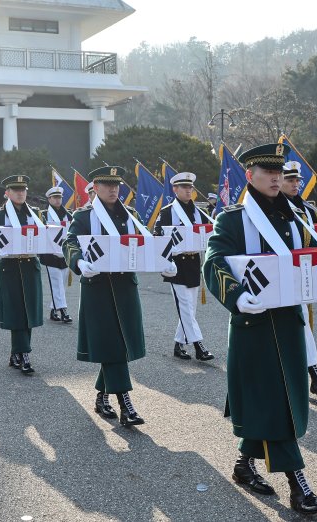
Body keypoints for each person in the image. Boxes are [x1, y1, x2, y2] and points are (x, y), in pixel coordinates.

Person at [203, 143, 317, 514]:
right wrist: (237, 296)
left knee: (279, 401)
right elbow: (212, 262)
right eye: (268, 172)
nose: (276, 178)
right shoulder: (232, 219)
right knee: (274, 404)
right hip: (254, 327)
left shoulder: (295, 216)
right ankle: (298, 485)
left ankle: (244, 465)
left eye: (280, 172)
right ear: (250, 175)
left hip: (290, 325)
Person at [64, 166, 167, 426]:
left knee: (116, 345)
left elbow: (144, 242)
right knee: (112, 344)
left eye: (116, 184)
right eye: (107, 184)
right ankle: (126, 404)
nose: (113, 189)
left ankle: (102, 397)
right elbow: (70, 242)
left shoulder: (130, 214)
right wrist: (79, 262)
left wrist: (163, 261)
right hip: (98, 288)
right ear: (95, 187)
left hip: (124, 288)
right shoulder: (84, 216)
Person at [280, 163, 317, 402]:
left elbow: (315, 243)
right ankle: (305, 377)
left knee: (301, 324)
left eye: (297, 181)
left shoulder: (306, 210)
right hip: (277, 276)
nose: (295, 184)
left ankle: (314, 375)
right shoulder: (270, 209)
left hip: (301, 275)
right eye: (290, 180)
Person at [0, 175, 44, 372]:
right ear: (7, 193)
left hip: (30, 267)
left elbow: (44, 236)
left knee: (28, 311)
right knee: (16, 311)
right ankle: (23, 352)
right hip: (10, 267)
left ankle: (18, 352)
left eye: (23, 190)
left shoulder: (35, 213)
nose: (20, 193)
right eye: (16, 190)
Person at [153, 172, 213, 362]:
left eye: (190, 187)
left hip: (194, 263)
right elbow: (157, 238)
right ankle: (198, 345)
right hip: (176, 265)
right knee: (185, 307)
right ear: (175, 189)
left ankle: (178, 344)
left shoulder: (199, 212)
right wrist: (166, 260)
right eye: (184, 187)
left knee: (190, 308)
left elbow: (209, 234)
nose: (188, 190)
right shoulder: (167, 212)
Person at [40, 186, 73, 323]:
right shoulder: (43, 215)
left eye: (59, 197)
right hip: (50, 254)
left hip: (64, 253)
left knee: (62, 283)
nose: (57, 200)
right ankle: (63, 310)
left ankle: (54, 310)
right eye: (54, 197)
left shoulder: (69, 214)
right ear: (49, 199)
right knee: (56, 282)